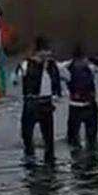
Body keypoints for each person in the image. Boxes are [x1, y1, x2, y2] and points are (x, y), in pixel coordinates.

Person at [12, 35, 62, 164]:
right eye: (45, 51)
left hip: (47, 104)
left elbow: (64, 78)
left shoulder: (53, 66)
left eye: (49, 51)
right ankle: (30, 165)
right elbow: (14, 79)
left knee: (49, 140)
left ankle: (50, 165)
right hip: (31, 104)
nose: (48, 54)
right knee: (27, 138)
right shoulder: (26, 64)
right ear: (39, 52)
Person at [57, 44, 98, 151]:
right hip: (90, 104)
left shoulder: (67, 66)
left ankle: (76, 160)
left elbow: (60, 77)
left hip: (75, 105)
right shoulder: (91, 66)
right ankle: (92, 160)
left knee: (73, 140)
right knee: (92, 138)